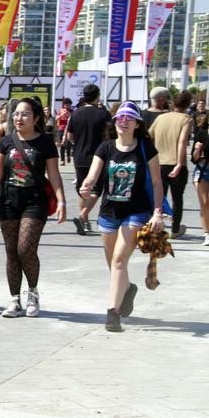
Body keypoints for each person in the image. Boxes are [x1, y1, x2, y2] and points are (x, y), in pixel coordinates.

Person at [79, 102, 164, 332]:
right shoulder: (105, 148)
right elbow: (92, 176)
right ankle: (127, 290)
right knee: (114, 265)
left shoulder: (146, 147)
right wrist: (85, 188)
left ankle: (112, 313)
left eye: (129, 118)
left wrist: (158, 212)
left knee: (118, 261)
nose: (123, 121)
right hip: (108, 213)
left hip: (136, 212)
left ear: (137, 124)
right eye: (120, 118)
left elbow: (157, 183)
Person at [0, 98, 66, 318]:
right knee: (11, 252)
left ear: (36, 118)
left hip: (35, 202)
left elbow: (54, 175)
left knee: (25, 248)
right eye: (16, 114)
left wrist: (62, 200)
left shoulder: (45, 143)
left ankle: (33, 292)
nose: (19, 118)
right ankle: (14, 299)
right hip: (9, 201)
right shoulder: (6, 142)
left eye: (25, 114)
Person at [66, 84, 111, 235]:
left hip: (78, 156)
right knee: (97, 189)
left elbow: (69, 136)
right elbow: (109, 135)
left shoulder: (76, 113)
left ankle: (84, 223)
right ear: (97, 96)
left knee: (82, 190)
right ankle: (83, 215)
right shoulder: (103, 114)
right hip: (97, 156)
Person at [149, 91, 193, 240]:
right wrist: (180, 163)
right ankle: (175, 229)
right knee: (177, 199)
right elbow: (182, 142)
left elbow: (149, 136)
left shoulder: (160, 117)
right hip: (176, 164)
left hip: (159, 162)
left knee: (159, 197)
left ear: (173, 103)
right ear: (187, 105)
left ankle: (155, 225)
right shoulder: (186, 119)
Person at [192, 127, 209, 246]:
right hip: (203, 169)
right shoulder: (202, 133)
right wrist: (197, 150)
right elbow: (194, 159)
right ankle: (207, 233)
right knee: (205, 203)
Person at [56, 98, 73, 165]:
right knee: (62, 145)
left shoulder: (72, 111)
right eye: (65, 105)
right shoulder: (61, 111)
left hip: (69, 129)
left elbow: (73, 119)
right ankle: (62, 160)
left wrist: (69, 114)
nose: (67, 106)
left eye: (68, 105)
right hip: (61, 129)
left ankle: (68, 155)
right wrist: (62, 115)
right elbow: (56, 118)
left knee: (68, 144)